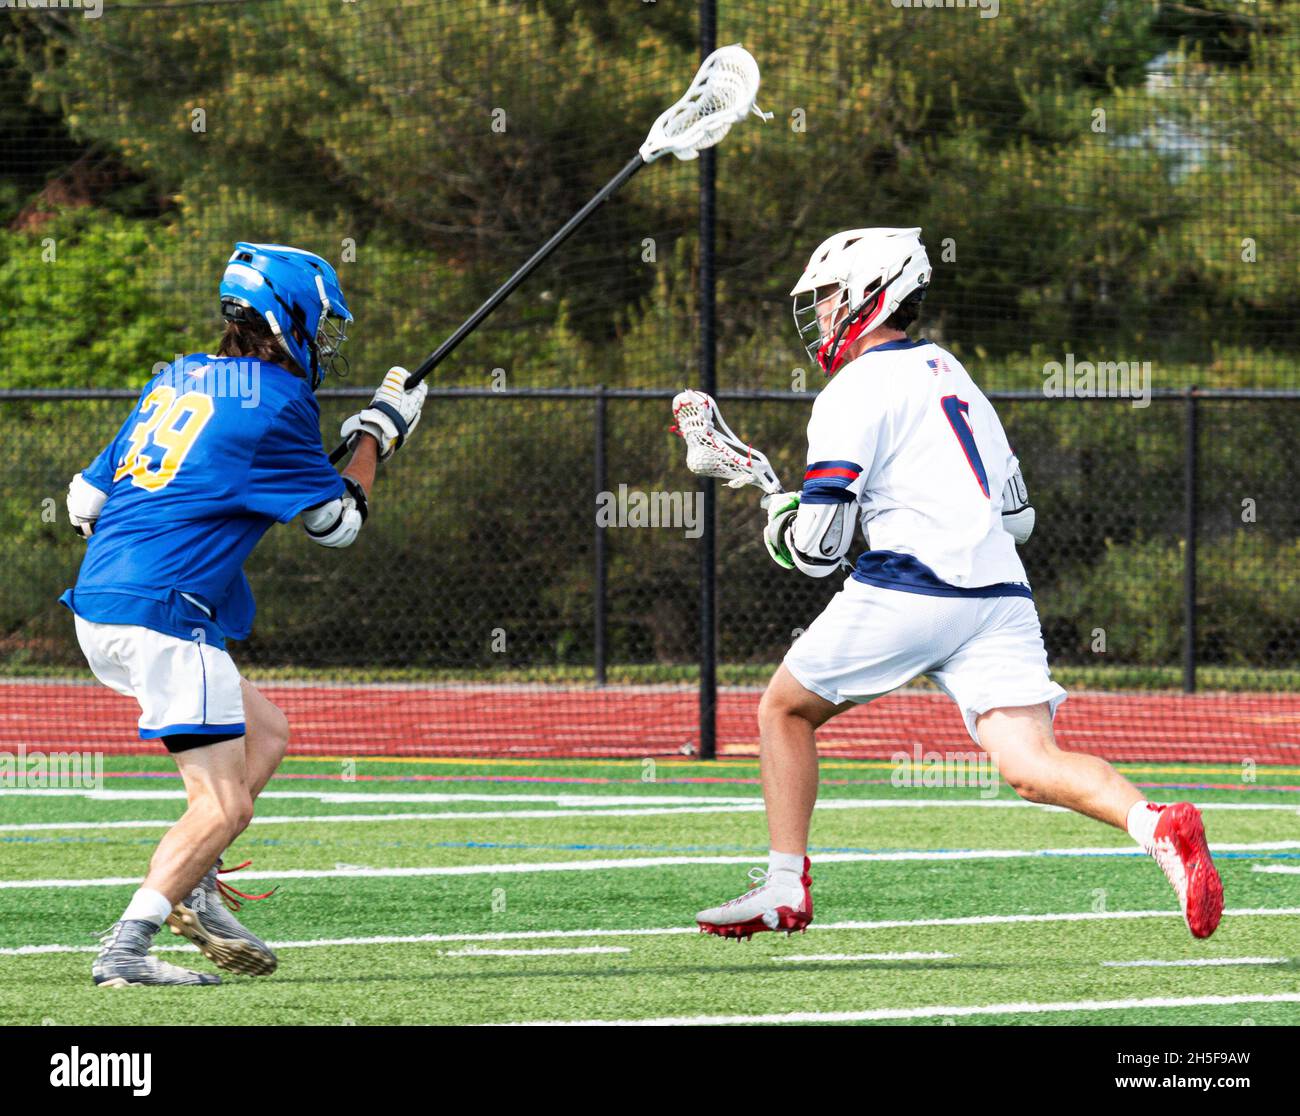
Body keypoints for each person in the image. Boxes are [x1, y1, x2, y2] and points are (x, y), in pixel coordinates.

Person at [694, 227, 1223, 942]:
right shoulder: (952, 372)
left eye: (825, 298)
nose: (819, 314)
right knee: (1032, 765)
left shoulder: (851, 390)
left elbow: (819, 551)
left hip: (912, 588)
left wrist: (783, 527)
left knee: (783, 713)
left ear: (867, 295)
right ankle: (1156, 824)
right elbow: (1021, 517)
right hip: (1000, 595)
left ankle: (785, 887)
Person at [63, 242, 428, 986]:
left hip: (99, 603)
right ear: (287, 316)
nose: (325, 342)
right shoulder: (279, 400)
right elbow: (339, 523)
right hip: (165, 614)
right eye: (321, 325)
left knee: (265, 734)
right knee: (223, 804)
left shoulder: (178, 377)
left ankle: (191, 886)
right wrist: (378, 434)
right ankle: (127, 949)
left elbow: (83, 502)